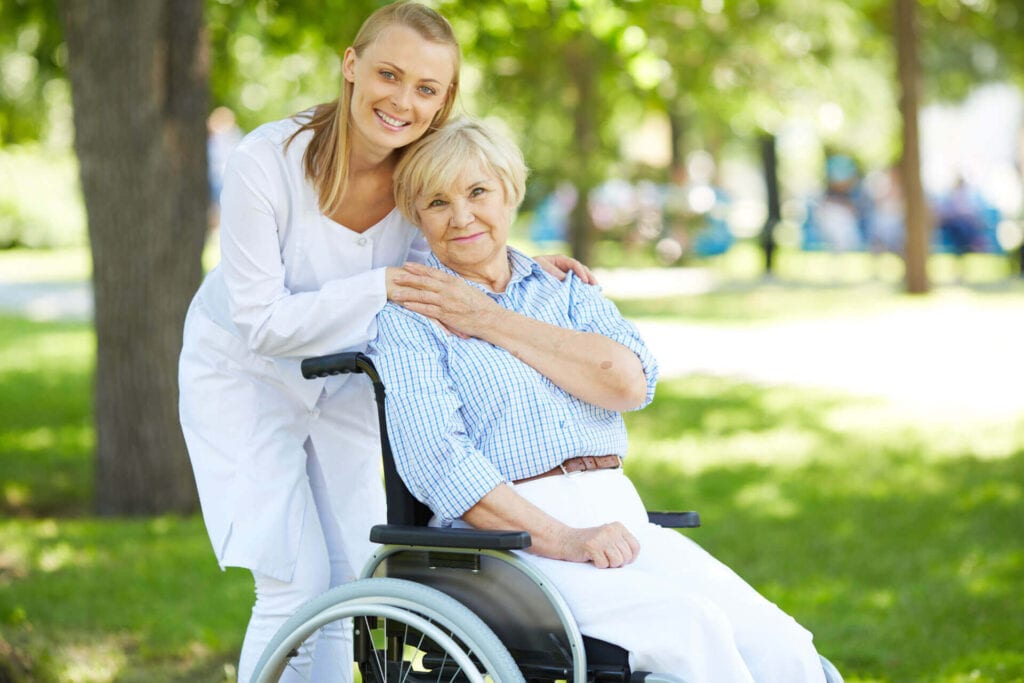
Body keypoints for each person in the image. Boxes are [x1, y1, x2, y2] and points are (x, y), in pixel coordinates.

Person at [177, 4, 589, 681]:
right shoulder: (266, 162)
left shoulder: (419, 177)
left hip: (344, 377)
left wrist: (524, 265)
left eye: (426, 89)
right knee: (293, 582)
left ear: (443, 101)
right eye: (389, 75)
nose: (402, 101)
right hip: (242, 375)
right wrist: (384, 287)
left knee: (357, 579)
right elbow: (260, 320)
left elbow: (465, 231)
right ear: (351, 66)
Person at [368, 117, 828, 682]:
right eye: (437, 202)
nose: (462, 216)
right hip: (509, 552)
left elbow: (629, 383)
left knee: (782, 645)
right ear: (417, 216)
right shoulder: (410, 318)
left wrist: (486, 319)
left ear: (511, 192)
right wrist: (566, 539)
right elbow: (439, 465)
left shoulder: (565, 291)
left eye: (478, 191)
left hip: (621, 519)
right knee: (694, 632)